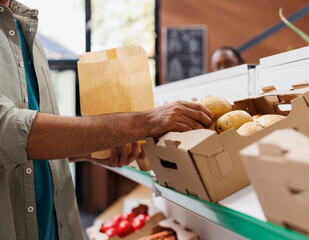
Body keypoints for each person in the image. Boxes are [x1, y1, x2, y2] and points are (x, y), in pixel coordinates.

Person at [0, 1, 212, 240]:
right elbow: (9, 132)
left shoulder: (29, 37)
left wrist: (90, 149)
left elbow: (36, 146)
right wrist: (144, 122)